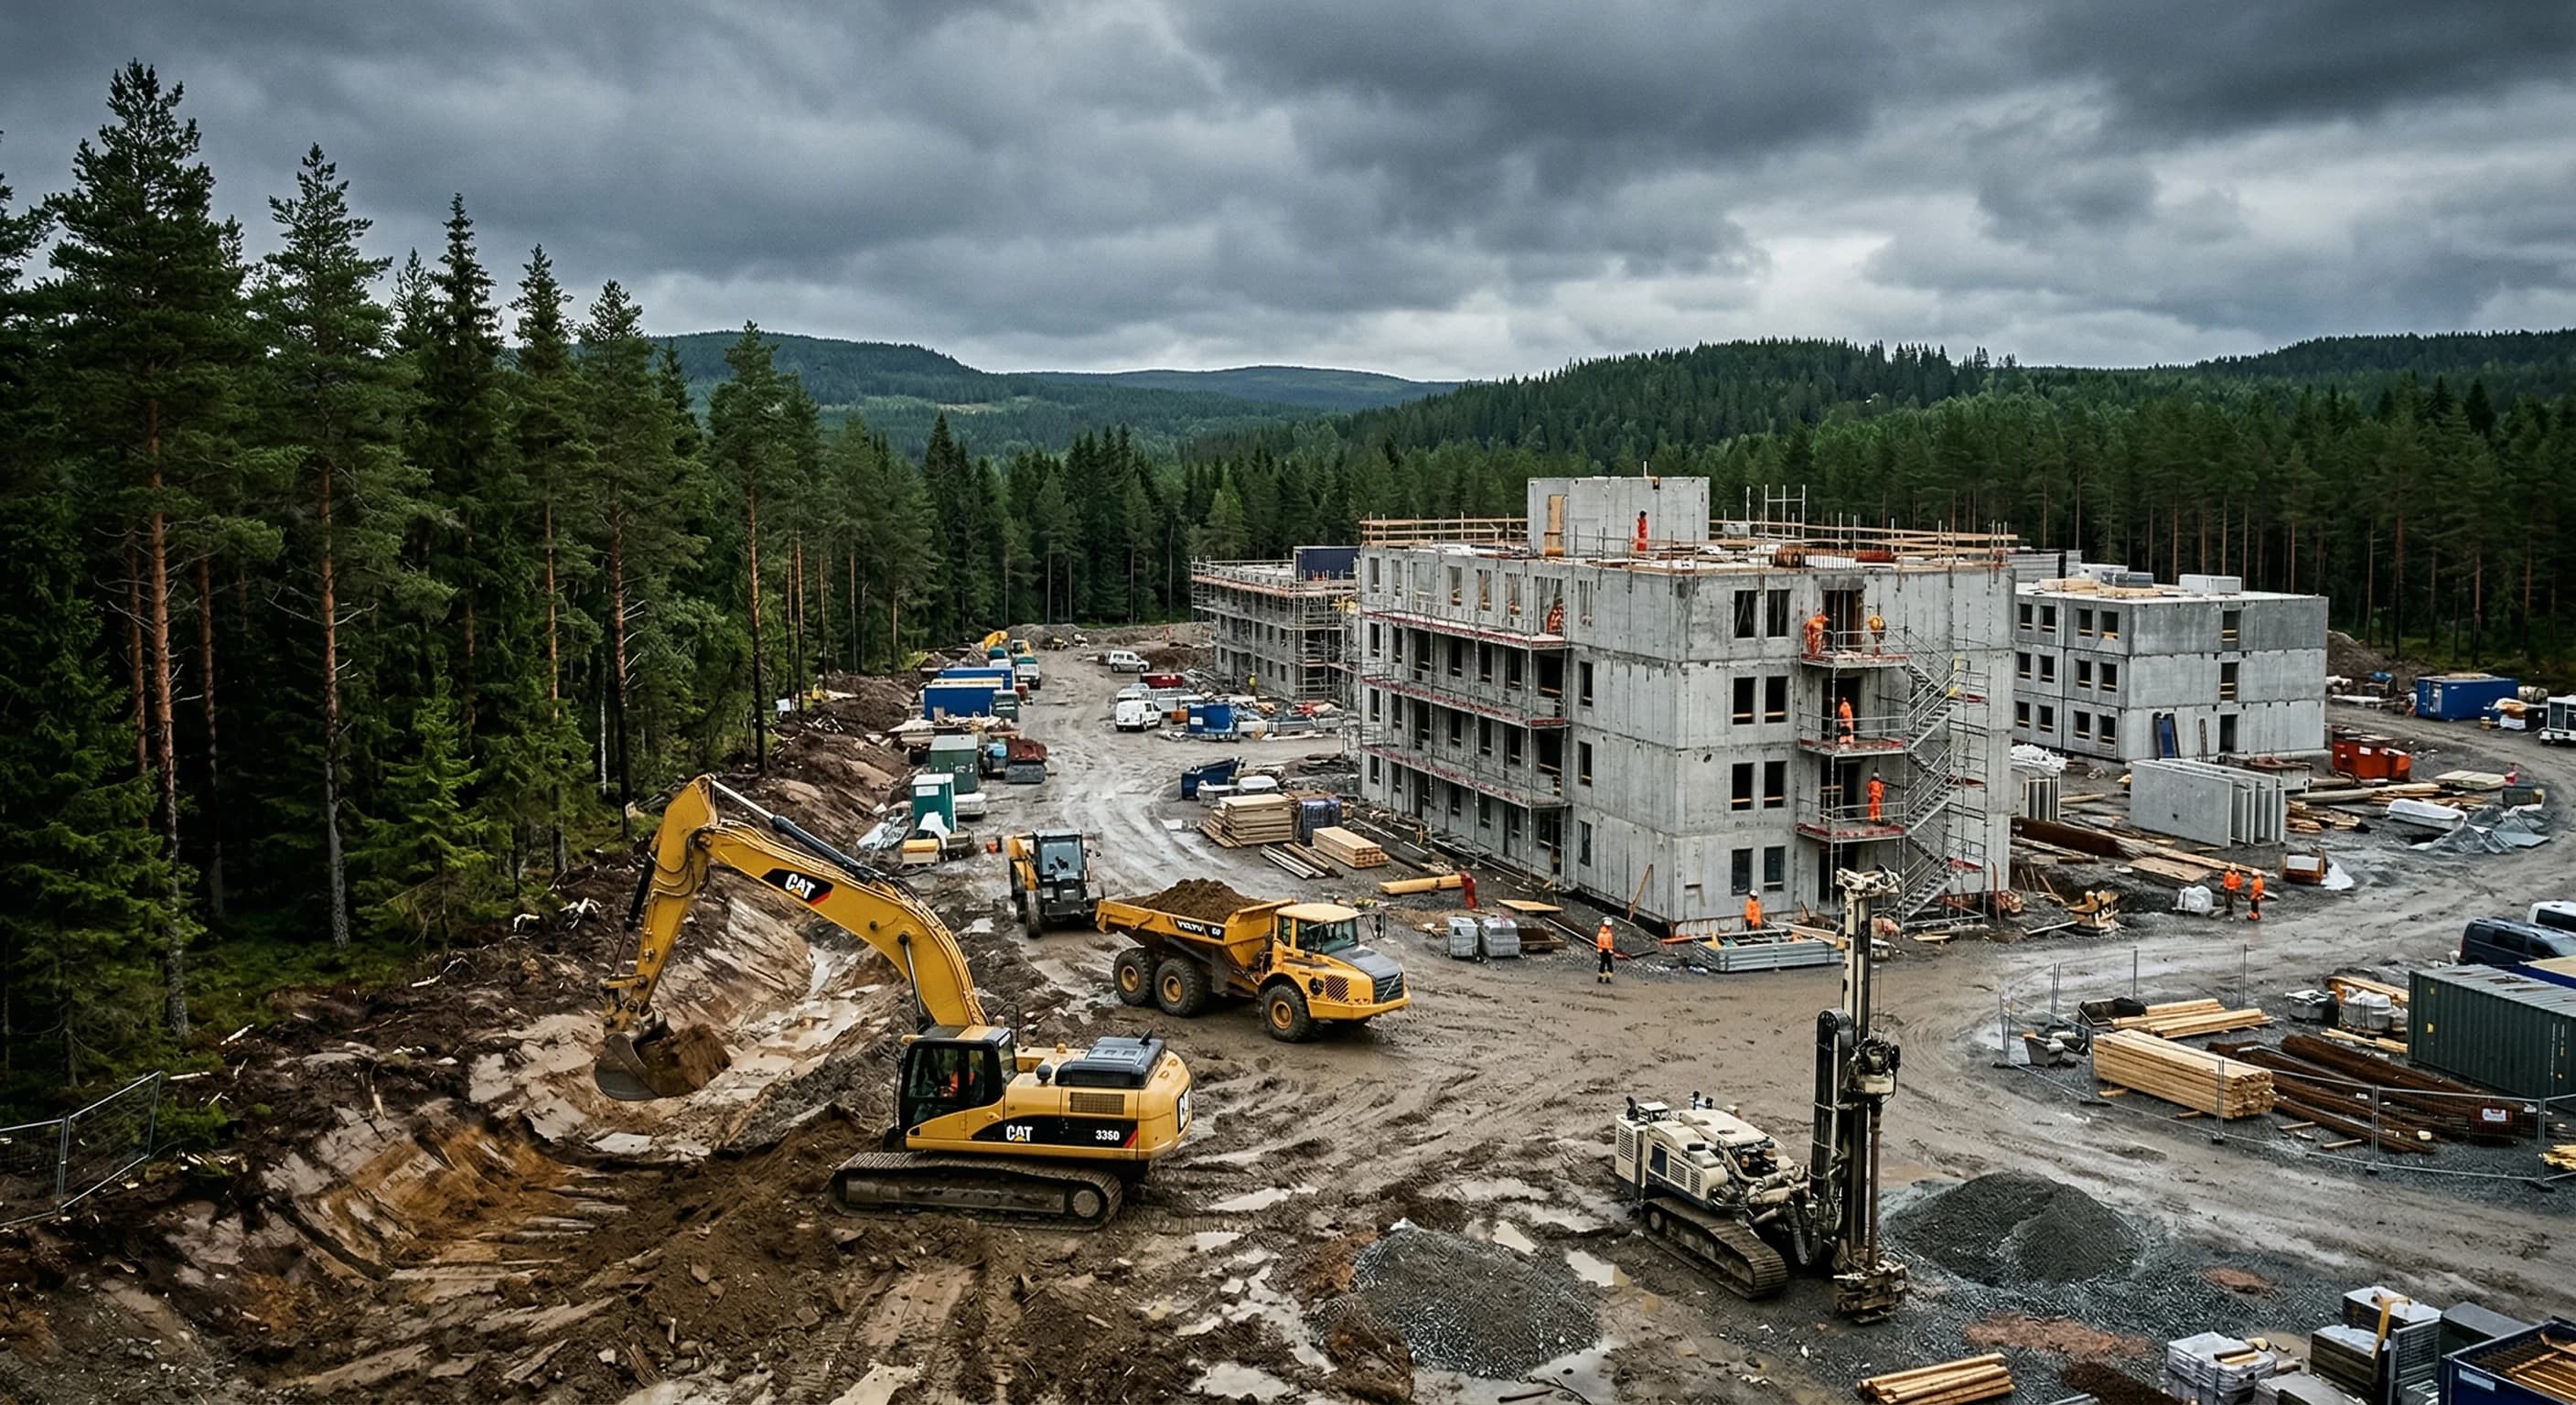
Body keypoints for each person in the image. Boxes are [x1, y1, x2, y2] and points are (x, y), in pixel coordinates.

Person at [1595, 920, 1615, 984]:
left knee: (1602, 964)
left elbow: (1599, 943)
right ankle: (1608, 979)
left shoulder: (1601, 933)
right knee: (1609, 965)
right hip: (1607, 951)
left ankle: (1600, 978)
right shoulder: (1608, 934)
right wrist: (1610, 950)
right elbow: (1609, 944)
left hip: (1602, 951)